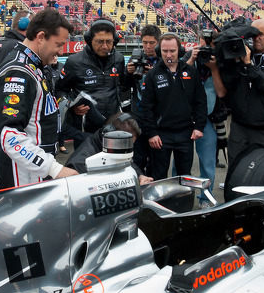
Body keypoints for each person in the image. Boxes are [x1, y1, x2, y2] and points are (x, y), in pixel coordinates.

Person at [0, 8, 78, 188]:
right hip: (23, 177)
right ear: (40, 37)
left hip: (35, 172)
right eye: (58, 44)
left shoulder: (35, 65)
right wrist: (54, 169)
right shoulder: (19, 72)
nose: (61, 52)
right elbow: (9, 135)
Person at [213, 19, 264, 162]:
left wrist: (248, 64)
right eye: (252, 35)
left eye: (260, 34)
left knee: (261, 171)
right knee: (235, 169)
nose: (256, 38)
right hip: (239, 125)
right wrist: (236, 61)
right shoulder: (241, 54)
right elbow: (229, 82)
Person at [140, 33, 207, 180]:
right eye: (164, 51)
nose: (168, 54)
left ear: (180, 51)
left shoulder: (191, 72)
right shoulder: (152, 74)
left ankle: (183, 203)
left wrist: (199, 127)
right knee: (159, 176)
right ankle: (159, 203)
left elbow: (200, 102)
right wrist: (151, 133)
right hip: (161, 135)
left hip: (186, 133)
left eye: (172, 51)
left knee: (184, 176)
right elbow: (147, 107)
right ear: (160, 51)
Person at [56, 18, 130, 142]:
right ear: (89, 40)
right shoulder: (75, 62)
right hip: (86, 130)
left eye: (109, 42)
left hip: (114, 126)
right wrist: (72, 106)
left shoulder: (119, 58)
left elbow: (122, 87)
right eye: (100, 41)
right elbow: (59, 90)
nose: (105, 46)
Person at [186, 30, 222, 207]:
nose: (207, 47)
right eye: (204, 42)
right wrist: (192, 60)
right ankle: (180, 199)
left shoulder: (221, 61)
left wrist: (214, 68)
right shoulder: (188, 57)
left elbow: (222, 92)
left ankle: (206, 199)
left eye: (211, 43)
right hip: (185, 117)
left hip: (208, 118)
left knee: (207, 163)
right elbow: (177, 82)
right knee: (181, 162)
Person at [64, 112, 152, 185]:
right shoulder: (80, 163)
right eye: (124, 147)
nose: (127, 151)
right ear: (110, 134)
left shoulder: (112, 148)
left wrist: (139, 176)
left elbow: (126, 161)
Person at [127, 24, 161, 177]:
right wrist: (127, 72)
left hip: (157, 117)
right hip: (138, 116)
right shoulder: (136, 58)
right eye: (145, 42)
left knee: (156, 161)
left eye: (152, 43)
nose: (148, 46)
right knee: (138, 159)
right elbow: (123, 85)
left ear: (158, 42)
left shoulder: (163, 60)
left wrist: (153, 74)